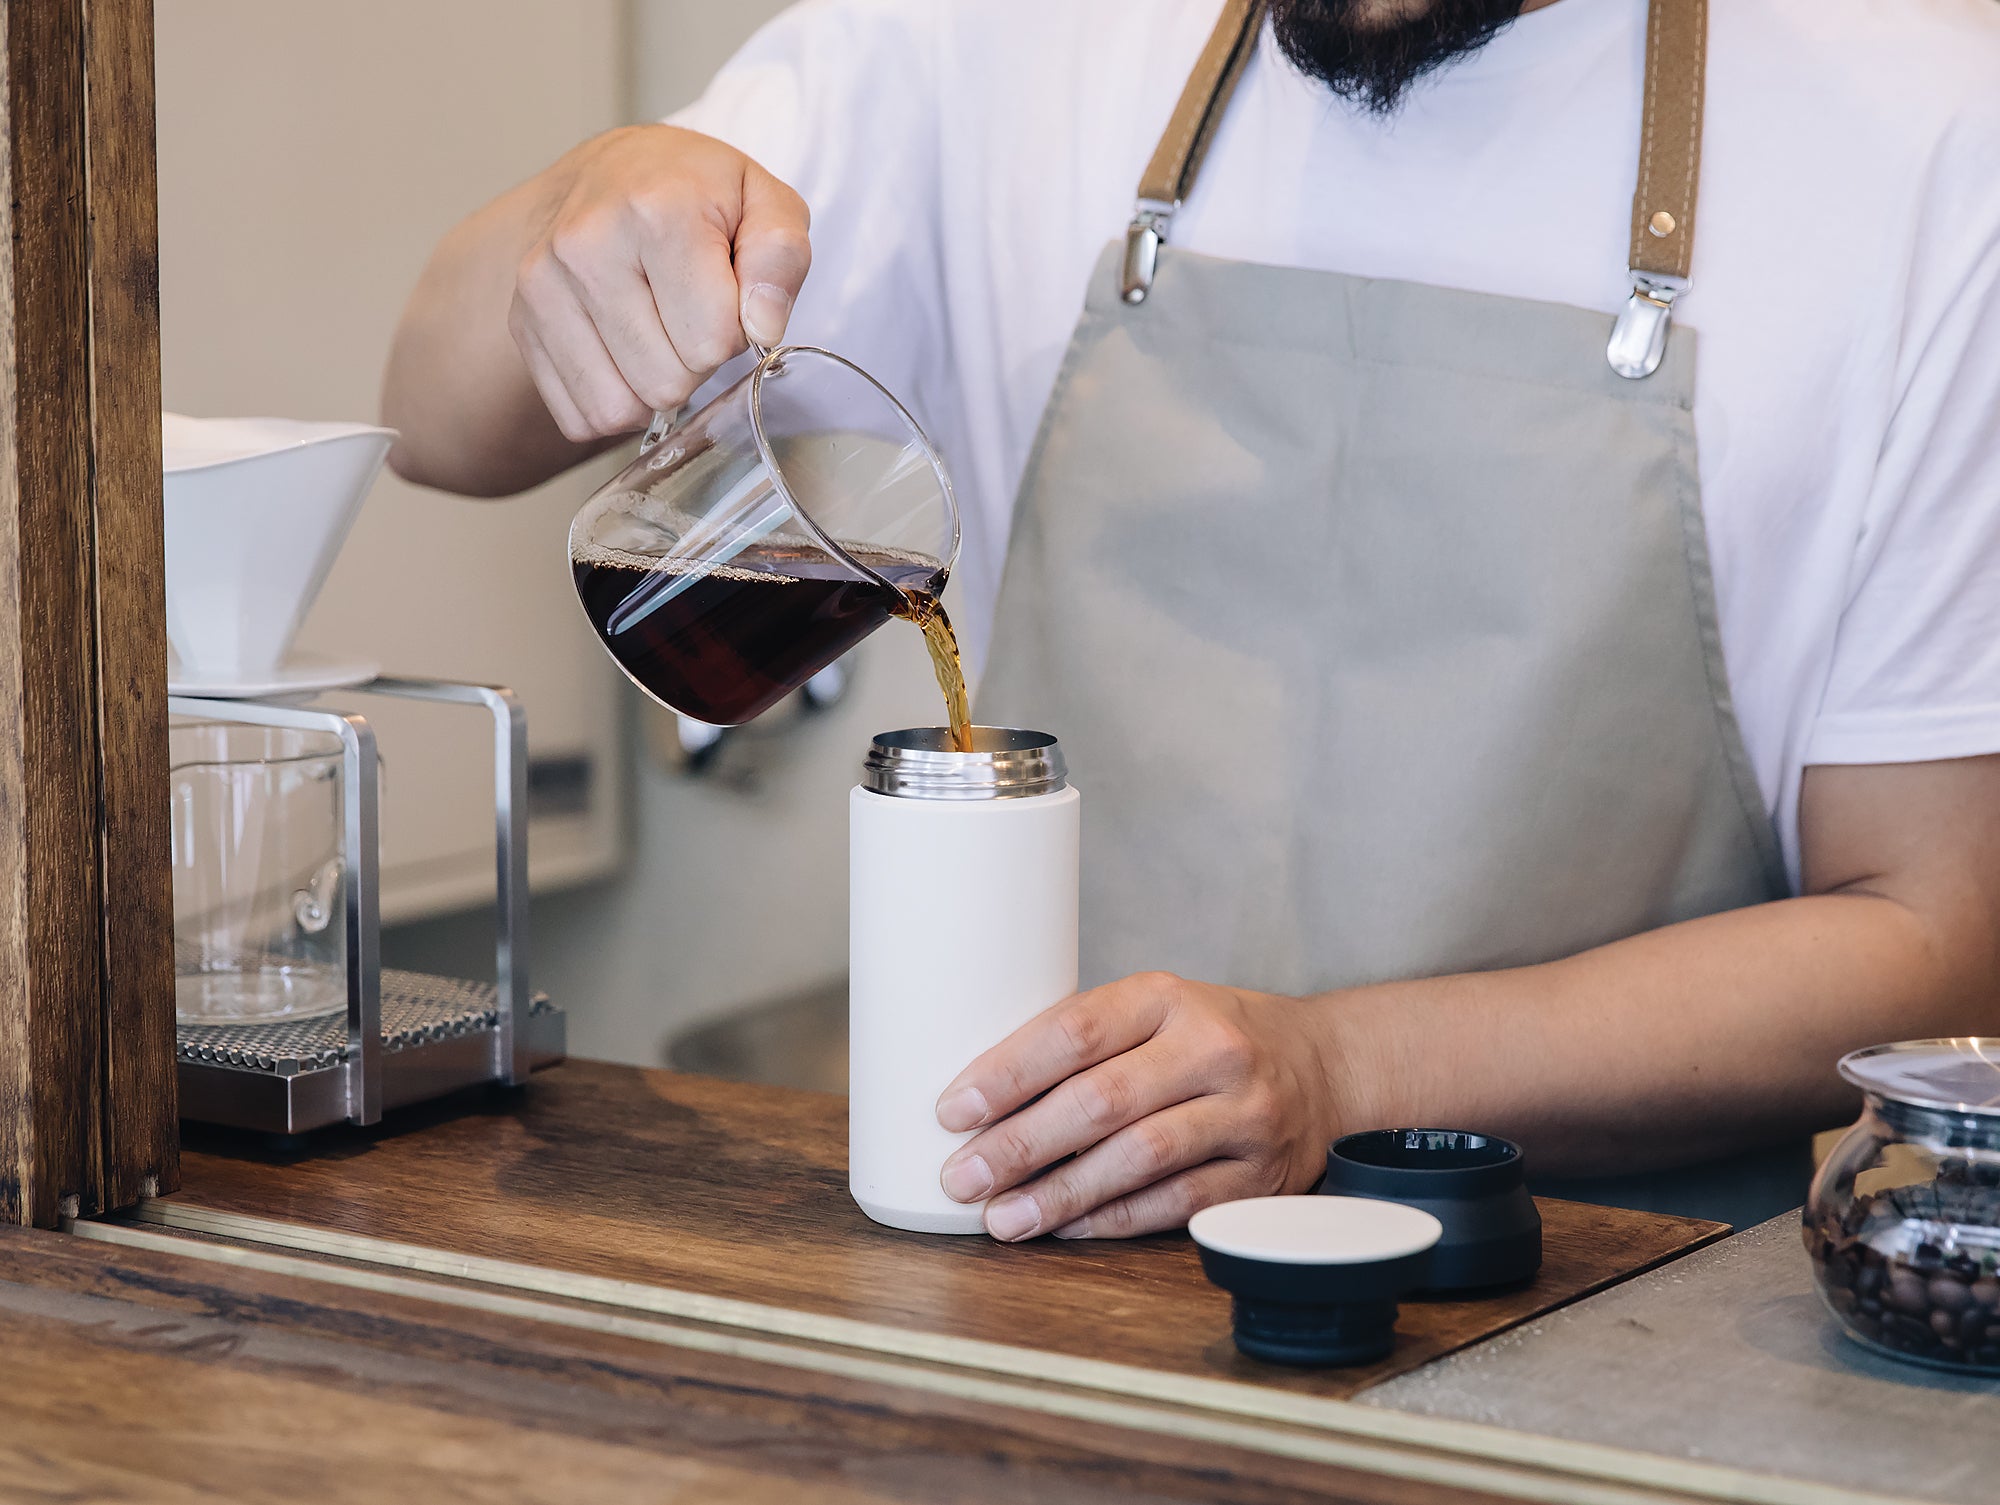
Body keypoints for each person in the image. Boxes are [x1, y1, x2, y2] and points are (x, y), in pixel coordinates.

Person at [383, 0, 2000, 1235]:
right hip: (1039, 1292)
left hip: (1591, 1334)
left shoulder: (1928, 139)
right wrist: (588, 209)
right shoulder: (994, 42)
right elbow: (440, 424)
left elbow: (1935, 938)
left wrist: (1343, 1073)